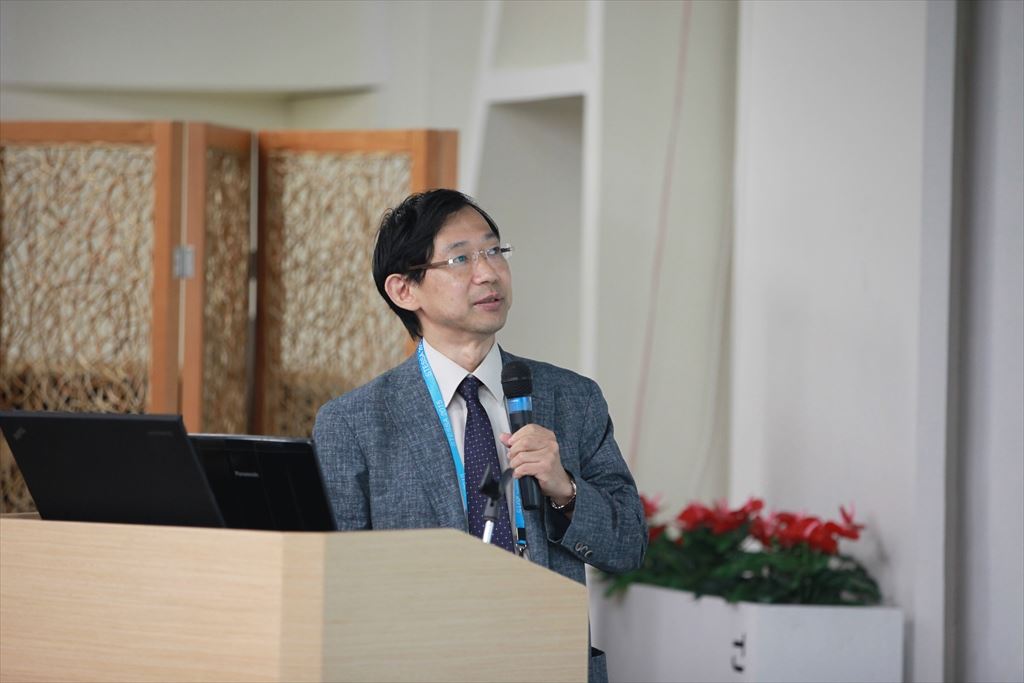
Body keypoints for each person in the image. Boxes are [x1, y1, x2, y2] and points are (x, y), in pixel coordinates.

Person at [313, 189, 646, 682]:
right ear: (404, 290)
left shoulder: (572, 398)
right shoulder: (354, 423)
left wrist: (566, 490)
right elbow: (335, 586)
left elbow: (628, 547)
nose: (488, 272)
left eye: (494, 250)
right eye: (461, 258)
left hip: (549, 665)